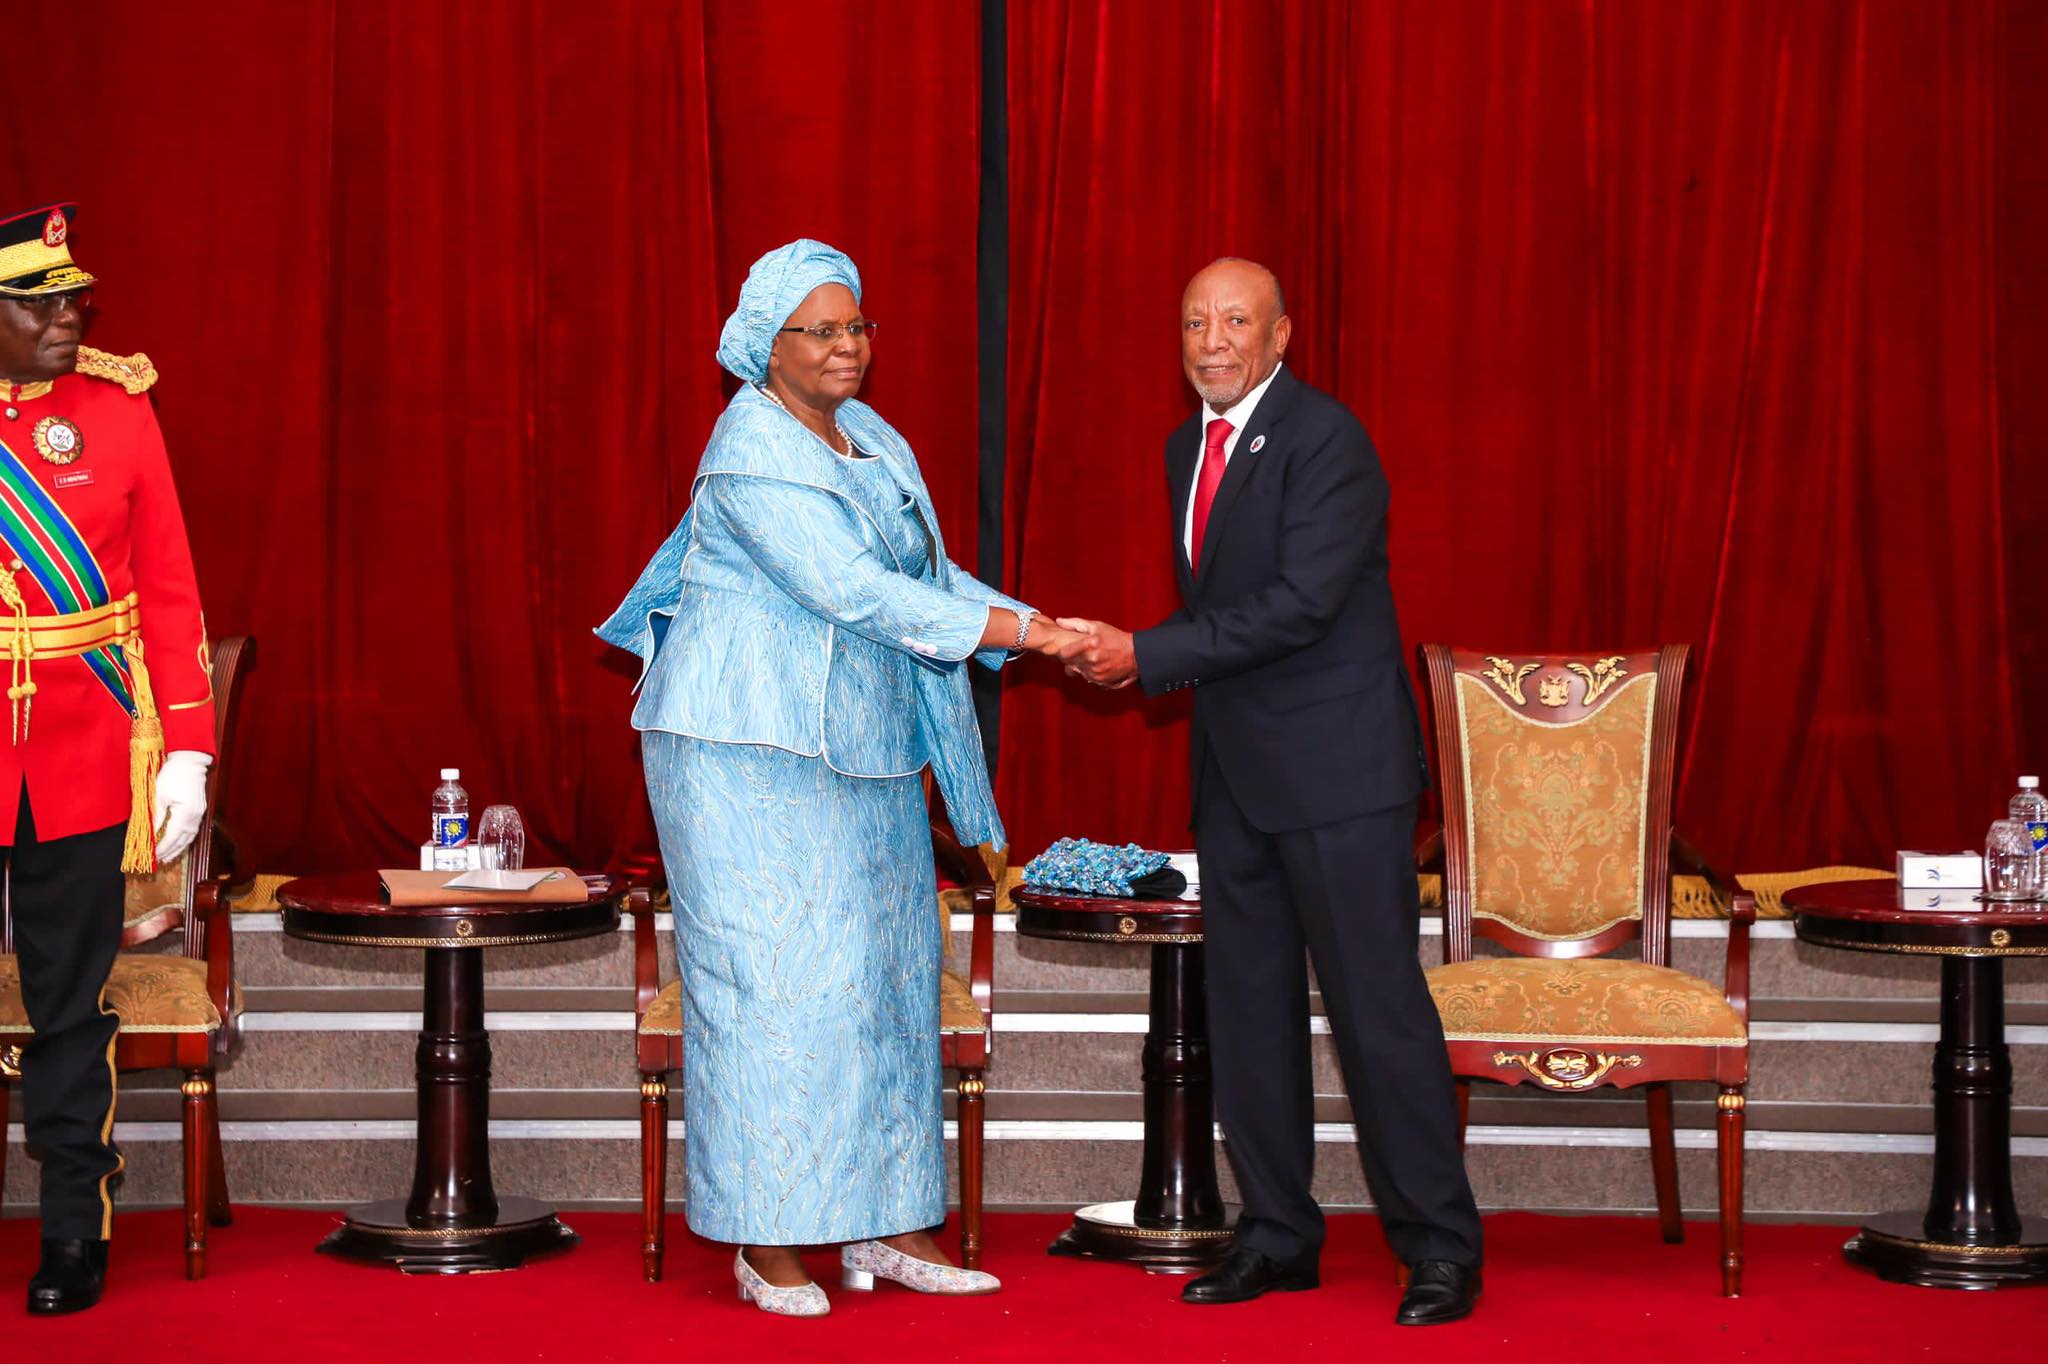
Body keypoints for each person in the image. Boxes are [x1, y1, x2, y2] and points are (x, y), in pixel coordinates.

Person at [598, 239, 1079, 1318]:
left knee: (887, 979)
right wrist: (1031, 637)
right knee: (771, 992)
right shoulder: (748, 450)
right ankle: (765, 1237)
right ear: (766, 347)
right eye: (819, 330)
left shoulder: (870, 436)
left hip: (861, 740)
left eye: (855, 325)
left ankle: (890, 1220)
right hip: (740, 752)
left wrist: (1037, 624)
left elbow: (927, 576)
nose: (845, 346)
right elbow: (854, 589)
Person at [1059, 258, 1483, 1325]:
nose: (1212, 340)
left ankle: (1438, 1245)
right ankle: (1277, 1235)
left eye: (1234, 321)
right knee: (1248, 1016)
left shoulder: (1326, 440)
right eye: (1193, 321)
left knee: (1376, 1013)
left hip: (1339, 777)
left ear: (1280, 335)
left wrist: (1146, 654)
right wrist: (1140, 653)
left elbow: (1300, 605)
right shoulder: (1183, 449)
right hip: (1235, 779)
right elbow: (1226, 613)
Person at [0, 202, 214, 1315]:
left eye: (73, 298)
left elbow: (169, 590)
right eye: (37, 304)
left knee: (68, 1007)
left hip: (83, 748)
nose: (68, 317)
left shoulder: (118, 409)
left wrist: (189, 749)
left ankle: (72, 1228)